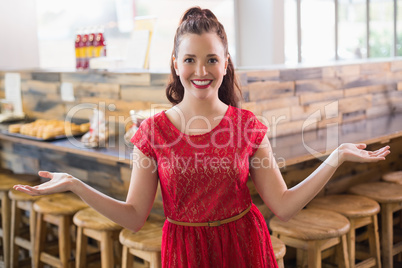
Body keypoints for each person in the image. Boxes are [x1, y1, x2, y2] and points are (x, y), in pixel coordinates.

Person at [14, 7, 390, 268]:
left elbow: (284, 206)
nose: (201, 70)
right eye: (190, 59)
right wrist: (76, 184)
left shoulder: (247, 126)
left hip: (246, 249)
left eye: (212, 59)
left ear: (226, 63)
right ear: (175, 64)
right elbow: (133, 217)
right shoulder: (152, 133)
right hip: (186, 254)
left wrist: (336, 155)